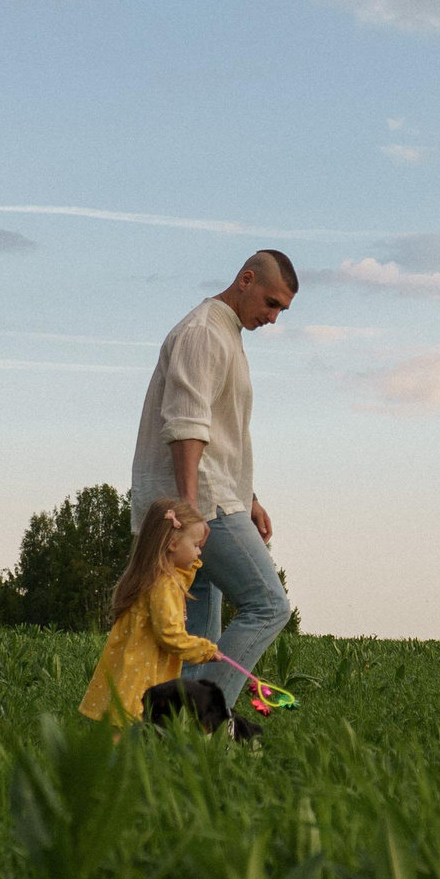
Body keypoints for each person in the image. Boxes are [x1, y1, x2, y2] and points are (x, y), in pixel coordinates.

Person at [130, 249, 298, 709]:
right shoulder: (204, 332)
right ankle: (202, 719)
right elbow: (185, 425)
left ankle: (177, 739)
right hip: (203, 505)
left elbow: (220, 430)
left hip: (216, 498)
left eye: (281, 309)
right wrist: (189, 513)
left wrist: (251, 496)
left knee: (195, 636)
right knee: (269, 605)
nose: (273, 317)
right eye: (270, 303)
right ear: (245, 280)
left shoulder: (226, 333)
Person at [78, 499, 219, 728]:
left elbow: (183, 575)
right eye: (195, 545)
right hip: (142, 674)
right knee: (129, 728)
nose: (199, 551)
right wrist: (205, 650)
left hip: (131, 669)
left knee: (124, 727)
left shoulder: (157, 578)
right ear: (173, 544)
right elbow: (170, 636)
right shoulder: (165, 585)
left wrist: (191, 559)